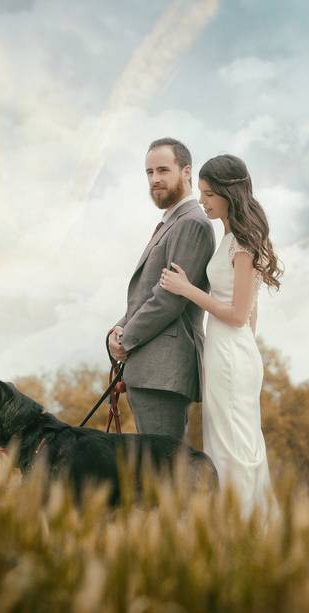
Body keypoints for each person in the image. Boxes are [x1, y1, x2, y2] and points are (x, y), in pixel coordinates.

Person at [159, 153, 283, 518]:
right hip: (230, 352)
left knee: (233, 446)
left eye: (209, 194)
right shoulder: (229, 237)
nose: (202, 201)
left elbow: (238, 314)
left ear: (229, 194)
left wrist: (186, 289)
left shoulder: (242, 245)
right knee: (226, 442)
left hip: (230, 354)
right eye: (200, 192)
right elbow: (252, 314)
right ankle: (237, 522)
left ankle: (245, 525)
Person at [106, 138, 215, 441]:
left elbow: (169, 299)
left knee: (163, 473)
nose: (155, 179)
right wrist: (116, 330)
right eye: (149, 172)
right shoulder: (171, 222)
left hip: (165, 370)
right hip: (149, 368)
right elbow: (145, 294)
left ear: (186, 171)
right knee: (153, 474)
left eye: (163, 170)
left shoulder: (192, 223)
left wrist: (126, 338)